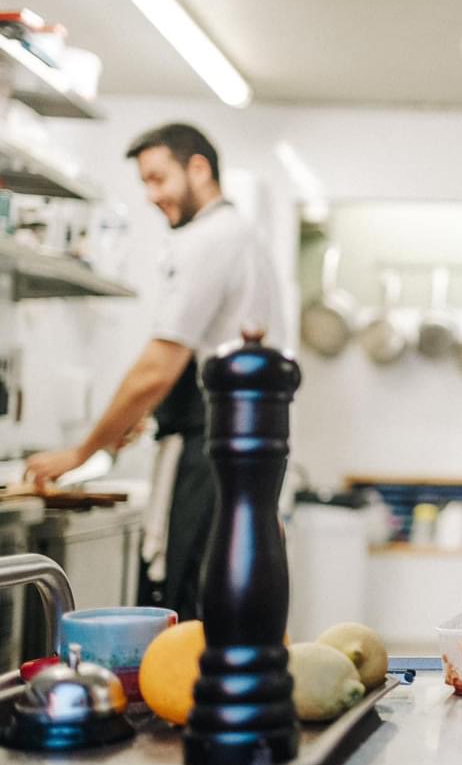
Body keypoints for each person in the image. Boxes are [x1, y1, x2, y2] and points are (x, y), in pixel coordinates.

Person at [25, 123, 284, 620]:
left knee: (186, 603)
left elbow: (158, 368)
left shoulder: (210, 237)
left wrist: (83, 450)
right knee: (217, 600)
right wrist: (138, 419)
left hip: (211, 452)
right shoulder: (239, 235)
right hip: (237, 445)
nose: (151, 195)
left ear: (199, 168)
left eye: (158, 179)